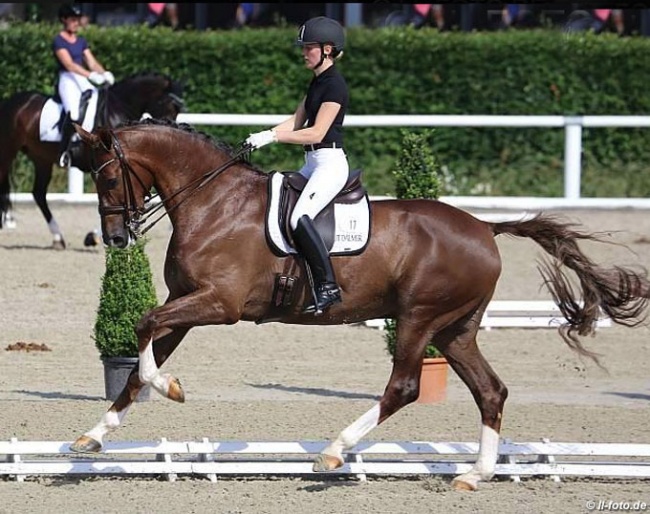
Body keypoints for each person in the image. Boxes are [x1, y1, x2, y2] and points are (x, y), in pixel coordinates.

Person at [244, 16, 349, 316]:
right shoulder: (317, 82)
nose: (304, 52)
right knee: (277, 205)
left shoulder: (335, 86)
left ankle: (328, 286)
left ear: (327, 49)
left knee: (299, 216)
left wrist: (274, 137)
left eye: (309, 47)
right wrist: (262, 136)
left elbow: (316, 132)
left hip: (329, 163)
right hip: (312, 162)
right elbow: (296, 121)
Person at [53, 4, 114, 167]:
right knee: (73, 113)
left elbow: (91, 62)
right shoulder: (59, 40)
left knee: (99, 103)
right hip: (67, 79)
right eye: (73, 19)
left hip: (82, 78)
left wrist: (104, 73)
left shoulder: (81, 41)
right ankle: (63, 151)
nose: (76, 23)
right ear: (64, 20)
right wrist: (91, 75)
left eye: (77, 20)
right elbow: (69, 65)